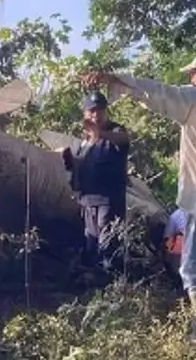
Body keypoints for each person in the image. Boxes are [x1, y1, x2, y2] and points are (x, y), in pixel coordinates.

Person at [84, 48, 196, 340]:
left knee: (195, 272)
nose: (191, 80)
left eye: (193, 75)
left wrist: (117, 79)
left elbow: (162, 93)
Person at [64, 91, 131, 271]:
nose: (96, 115)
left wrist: (100, 133)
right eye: (92, 111)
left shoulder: (115, 132)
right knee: (91, 246)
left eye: (100, 110)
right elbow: (76, 168)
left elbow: (124, 140)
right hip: (87, 202)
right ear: (85, 114)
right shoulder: (83, 142)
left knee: (108, 248)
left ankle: (112, 287)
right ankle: (95, 285)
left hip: (109, 202)